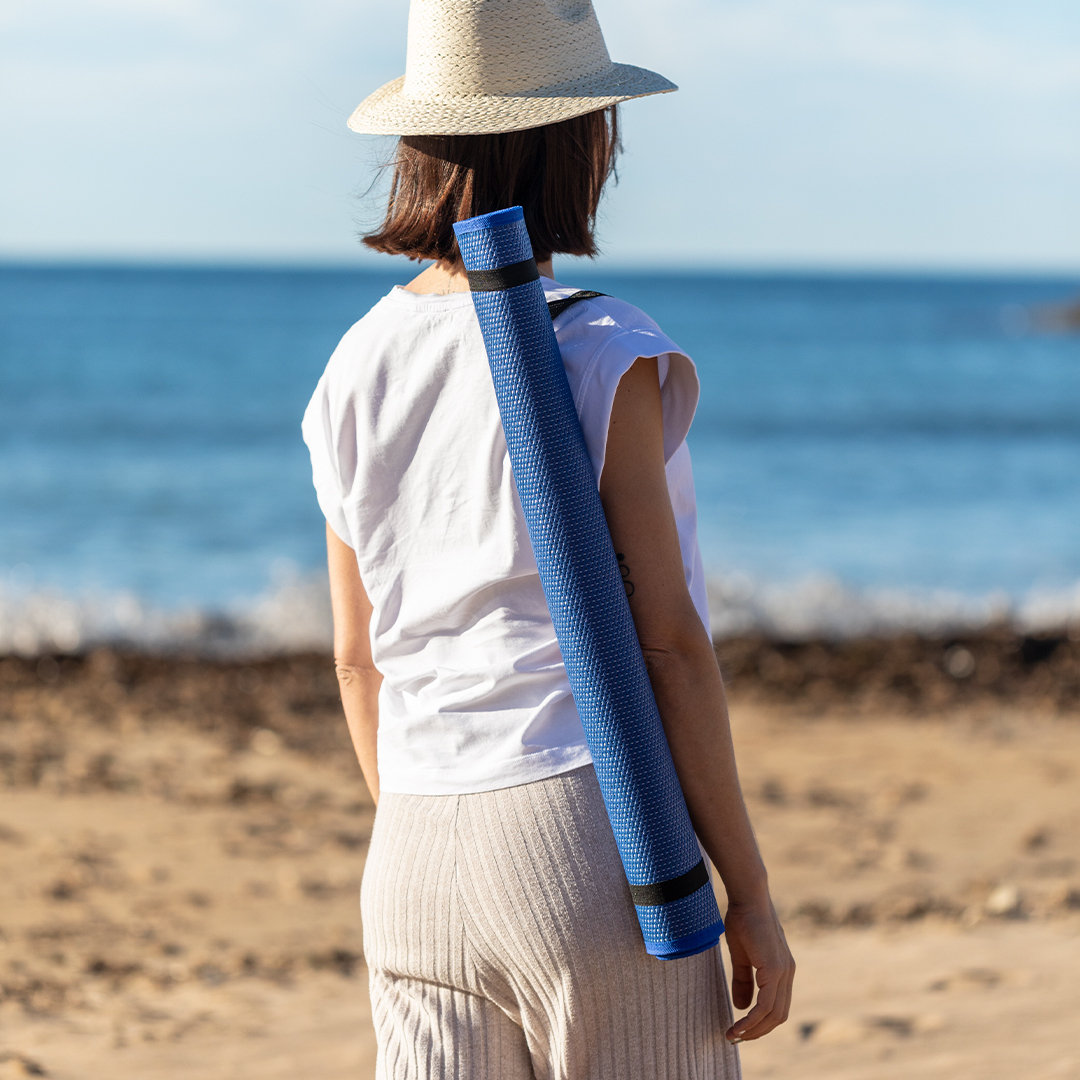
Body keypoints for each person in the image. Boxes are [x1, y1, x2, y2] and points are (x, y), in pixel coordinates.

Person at [301, 2, 794, 1077]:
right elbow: (667, 644)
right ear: (578, 139)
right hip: (590, 826)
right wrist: (750, 890)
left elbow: (356, 660)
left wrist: (435, 833)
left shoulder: (354, 364)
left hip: (411, 844)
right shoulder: (603, 347)